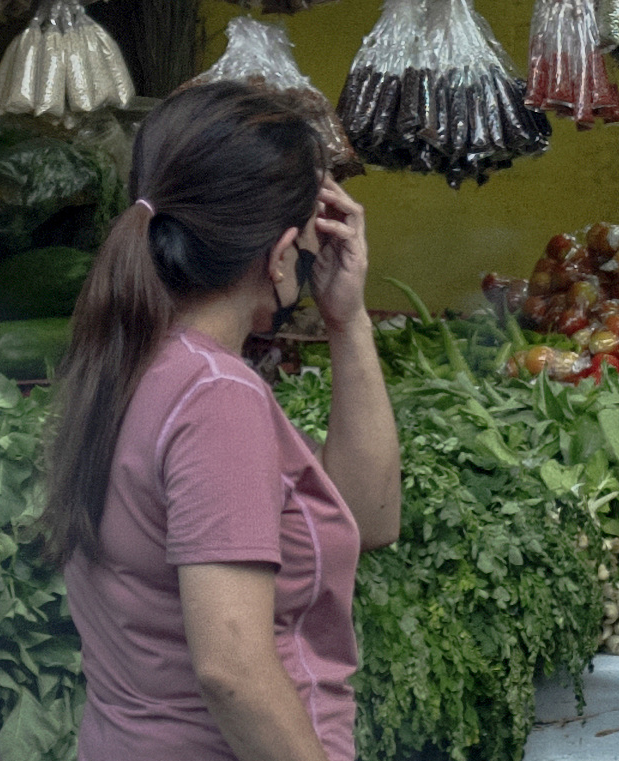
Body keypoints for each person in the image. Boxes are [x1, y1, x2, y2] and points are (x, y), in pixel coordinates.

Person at [40, 81, 400, 761]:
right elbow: (232, 669)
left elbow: (369, 516)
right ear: (283, 249)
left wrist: (346, 320)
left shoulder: (132, 359)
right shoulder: (215, 395)